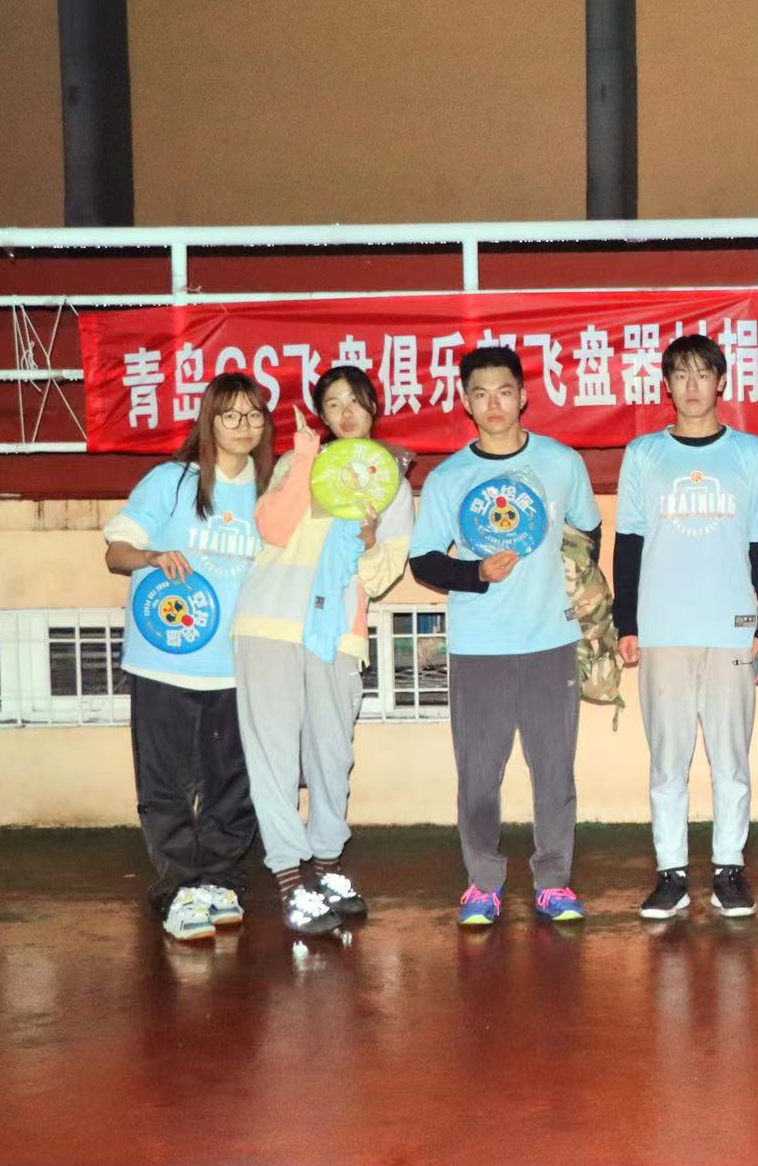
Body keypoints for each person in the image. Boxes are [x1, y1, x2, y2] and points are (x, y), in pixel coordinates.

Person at [408, 346, 601, 926]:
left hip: (550, 641)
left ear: (523, 396)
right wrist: (475, 574)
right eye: (481, 394)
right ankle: (483, 884)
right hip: (480, 646)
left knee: (554, 772)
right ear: (466, 402)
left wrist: (579, 587)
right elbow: (423, 560)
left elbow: (588, 533)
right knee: (478, 775)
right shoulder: (449, 478)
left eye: (504, 391)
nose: (494, 404)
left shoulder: (561, 462)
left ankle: (554, 883)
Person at [232, 366, 413, 935]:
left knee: (332, 754)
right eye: (333, 404)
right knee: (274, 755)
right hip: (271, 622)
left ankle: (328, 864)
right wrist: (306, 460)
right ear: (323, 415)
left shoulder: (391, 479)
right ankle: (291, 878)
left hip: (337, 631)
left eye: (355, 400)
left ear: (373, 406)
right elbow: (272, 528)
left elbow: (383, 573)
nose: (346, 412)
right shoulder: (298, 461)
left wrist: (368, 543)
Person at [614, 334, 758, 921]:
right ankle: (671, 873)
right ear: (666, 385)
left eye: (702, 374)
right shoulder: (643, 454)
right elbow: (629, 540)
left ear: (721, 382)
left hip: (733, 628)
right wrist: (626, 621)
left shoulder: (751, 454)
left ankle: (730, 869)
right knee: (668, 760)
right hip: (662, 628)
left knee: (730, 758)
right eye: (680, 375)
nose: (691, 386)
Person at [103, 372, 271, 941]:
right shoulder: (172, 482)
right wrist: (151, 556)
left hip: (239, 666)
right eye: (230, 414)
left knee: (233, 784)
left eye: (254, 414)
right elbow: (116, 553)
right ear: (209, 420)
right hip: (164, 662)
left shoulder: (270, 492)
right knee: (166, 784)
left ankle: (220, 881)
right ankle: (178, 890)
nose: (243, 426)